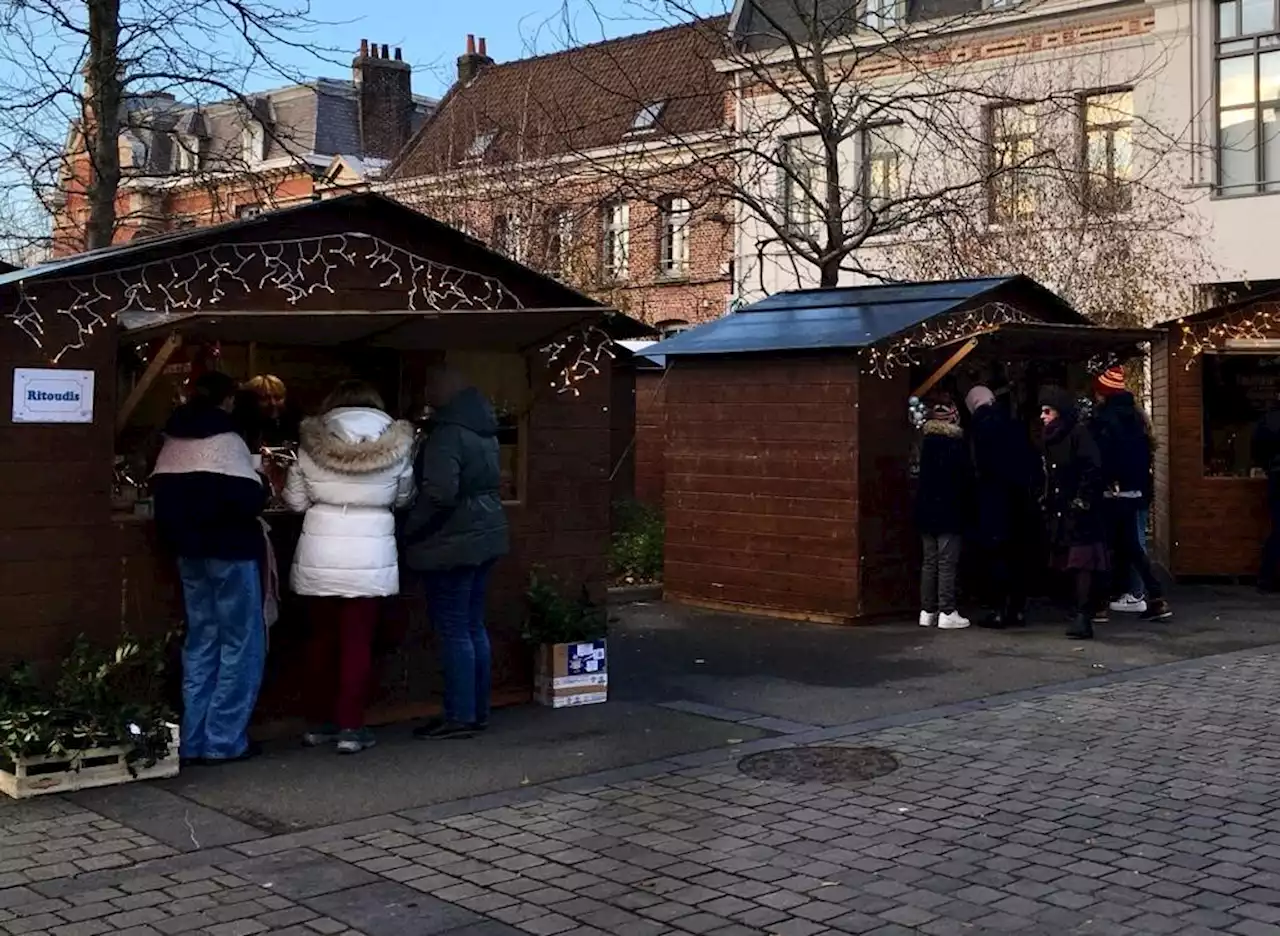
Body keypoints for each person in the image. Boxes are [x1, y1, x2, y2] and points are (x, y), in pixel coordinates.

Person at [282, 380, 416, 754]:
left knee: (321, 642)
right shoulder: (398, 445)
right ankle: (351, 728)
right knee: (358, 643)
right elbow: (404, 498)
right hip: (371, 555)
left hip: (320, 553)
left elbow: (294, 501)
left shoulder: (312, 443)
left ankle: (318, 724)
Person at [150, 371, 269, 765]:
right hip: (231, 550)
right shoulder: (229, 441)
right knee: (241, 643)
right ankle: (224, 740)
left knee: (202, 640)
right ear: (228, 401)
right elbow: (247, 499)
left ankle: (193, 738)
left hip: (188, 552)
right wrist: (264, 482)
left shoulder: (171, 439)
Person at [402, 369, 511, 738]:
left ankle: (460, 714)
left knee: (453, 629)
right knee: (472, 625)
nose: (426, 390)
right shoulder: (484, 428)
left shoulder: (447, 434)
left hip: (451, 542)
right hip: (485, 536)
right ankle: (475, 710)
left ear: (447, 392)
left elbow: (440, 493)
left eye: (431, 385)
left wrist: (410, 530)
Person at [1091, 367, 1172, 622]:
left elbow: (1101, 458)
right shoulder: (1137, 418)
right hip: (1135, 490)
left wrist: (1103, 482)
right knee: (1133, 547)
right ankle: (1156, 598)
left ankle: (1100, 603)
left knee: (1104, 546)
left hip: (1111, 492)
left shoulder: (1103, 420)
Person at [966, 384, 1039, 629]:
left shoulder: (977, 426)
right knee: (1018, 554)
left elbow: (975, 465)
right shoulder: (1013, 423)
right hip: (1019, 500)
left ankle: (997, 609)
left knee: (995, 555)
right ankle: (1017, 609)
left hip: (993, 499)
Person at [1040, 386, 1109, 640]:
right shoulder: (1051, 437)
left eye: (1047, 411)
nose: (1043, 416)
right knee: (1068, 561)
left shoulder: (1078, 434)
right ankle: (1077, 610)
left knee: (1082, 562)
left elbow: (1092, 468)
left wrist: (1082, 499)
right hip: (1062, 508)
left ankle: (1083, 613)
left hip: (1078, 511)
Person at [915, 399, 973, 630]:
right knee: (946, 562)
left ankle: (927, 610)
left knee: (929, 562)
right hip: (949, 510)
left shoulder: (925, 443)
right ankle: (947, 611)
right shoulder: (956, 445)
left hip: (926, 511)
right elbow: (965, 480)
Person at [1253, 391, 1280, 590]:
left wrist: (1267, 467)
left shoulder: (1268, 419)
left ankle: (1267, 576)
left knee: (1277, 529)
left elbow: (1257, 449)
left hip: (1276, 475)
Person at [245, 374, 300, 447]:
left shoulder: (295, 425)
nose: (273, 403)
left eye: (277, 398)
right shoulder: (243, 432)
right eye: (265, 398)